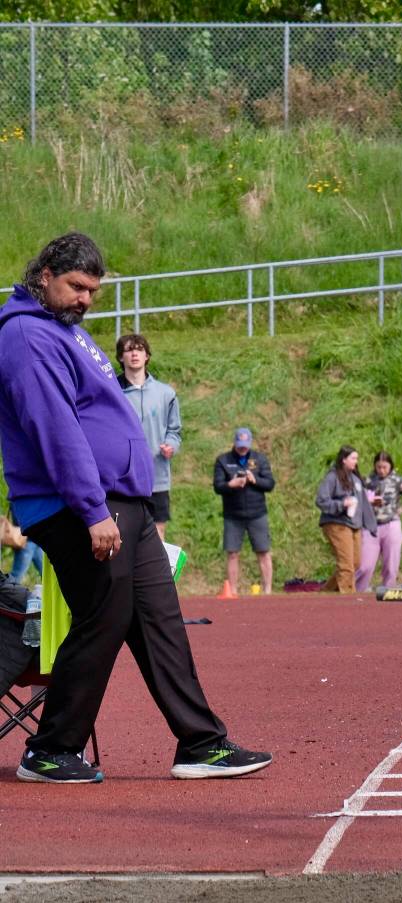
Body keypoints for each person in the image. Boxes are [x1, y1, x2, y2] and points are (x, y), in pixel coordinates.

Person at [0, 232, 271, 783]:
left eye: (94, 292)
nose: (85, 300)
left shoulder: (61, 330)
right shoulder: (26, 335)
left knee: (159, 621)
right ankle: (50, 750)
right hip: (79, 503)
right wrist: (92, 508)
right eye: (77, 286)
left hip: (122, 500)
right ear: (45, 273)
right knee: (105, 612)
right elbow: (56, 431)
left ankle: (201, 742)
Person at [115, 333, 181, 541]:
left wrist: (171, 445)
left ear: (147, 356)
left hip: (157, 478)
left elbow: (175, 431)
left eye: (139, 349)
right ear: (120, 357)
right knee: (124, 535)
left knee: (158, 534)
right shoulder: (111, 392)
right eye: (128, 349)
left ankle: (157, 574)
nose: (134, 353)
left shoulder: (166, 393)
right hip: (122, 479)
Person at [213, 427, 275, 595]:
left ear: (250, 443)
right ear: (234, 442)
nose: (242, 448)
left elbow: (270, 484)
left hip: (257, 513)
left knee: (263, 551)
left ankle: (268, 590)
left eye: (245, 445)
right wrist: (230, 485)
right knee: (233, 553)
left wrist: (255, 480)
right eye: (240, 445)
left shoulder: (259, 459)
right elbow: (217, 487)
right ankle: (232, 590)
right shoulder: (223, 460)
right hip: (233, 515)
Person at [316, 446, 375, 594]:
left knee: (355, 563)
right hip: (337, 523)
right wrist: (341, 504)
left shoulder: (355, 479)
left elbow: (364, 505)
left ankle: (326, 591)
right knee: (346, 565)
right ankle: (349, 597)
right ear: (344, 459)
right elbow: (321, 500)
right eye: (353, 458)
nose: (357, 461)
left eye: (357, 458)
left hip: (355, 525)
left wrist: (371, 525)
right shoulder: (332, 477)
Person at [355, 452, 402, 591]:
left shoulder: (398, 481)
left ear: (390, 466)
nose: (381, 470)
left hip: (391, 523)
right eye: (379, 467)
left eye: (385, 467)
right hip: (370, 526)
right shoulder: (368, 481)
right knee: (364, 565)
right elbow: (357, 497)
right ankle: (356, 591)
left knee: (391, 566)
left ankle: (388, 590)